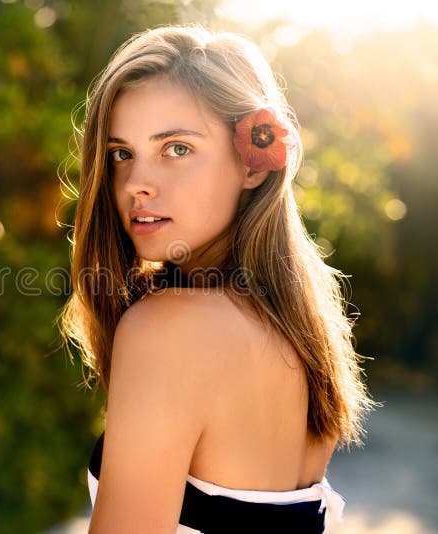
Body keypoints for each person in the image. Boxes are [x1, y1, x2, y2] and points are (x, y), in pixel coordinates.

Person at [58, 24, 377, 533]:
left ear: (254, 164)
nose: (137, 183)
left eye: (177, 148)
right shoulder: (304, 325)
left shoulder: (166, 330)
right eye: (122, 153)